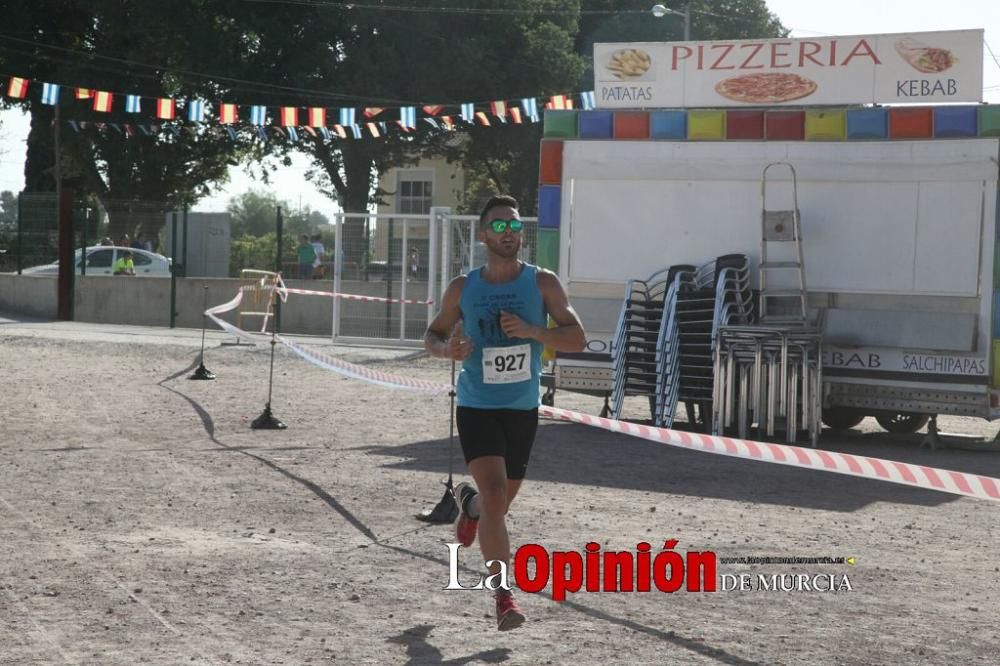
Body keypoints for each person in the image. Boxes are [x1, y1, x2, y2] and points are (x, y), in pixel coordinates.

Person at [424, 194, 586, 631]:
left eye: (514, 225)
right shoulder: (463, 287)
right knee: (498, 496)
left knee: (497, 504)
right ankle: (503, 596)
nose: (509, 232)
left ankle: (470, 507)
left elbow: (577, 338)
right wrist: (447, 351)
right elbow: (432, 335)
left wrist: (534, 331)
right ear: (482, 235)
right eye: (498, 226)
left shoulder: (542, 283)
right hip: (477, 405)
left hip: (521, 409)